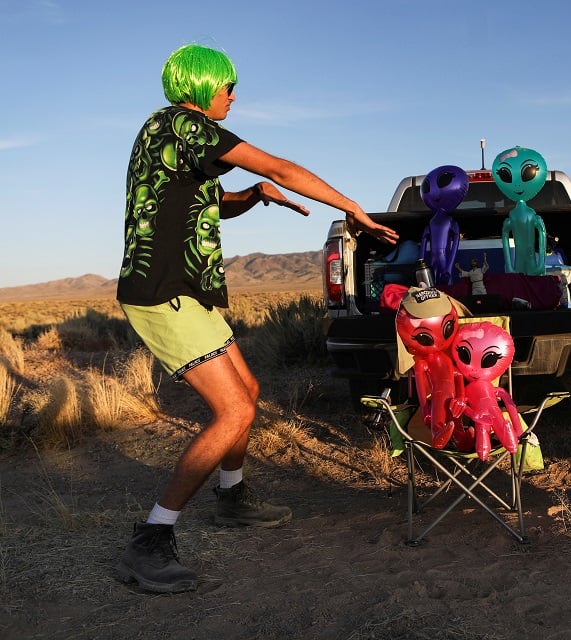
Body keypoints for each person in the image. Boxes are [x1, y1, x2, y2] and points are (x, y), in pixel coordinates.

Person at [116, 43, 398, 593]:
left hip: (182, 290)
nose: (233, 95)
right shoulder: (187, 126)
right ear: (201, 87)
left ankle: (232, 496)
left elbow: (208, 202)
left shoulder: (163, 132)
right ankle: (150, 540)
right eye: (227, 86)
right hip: (162, 291)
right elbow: (280, 164)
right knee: (234, 411)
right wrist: (352, 209)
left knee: (248, 387)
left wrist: (254, 196)